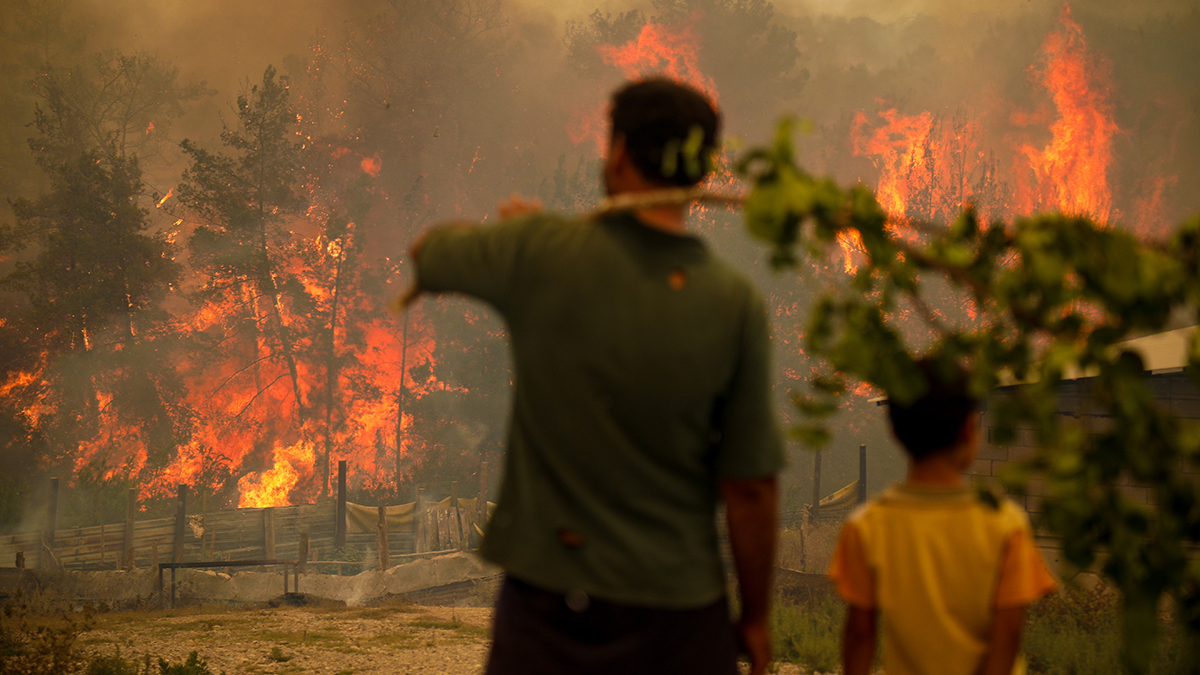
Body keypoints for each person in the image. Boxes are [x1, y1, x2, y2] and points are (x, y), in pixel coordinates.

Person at [408, 78, 785, 675]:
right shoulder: (734, 303)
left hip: (551, 614)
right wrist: (758, 619)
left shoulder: (541, 253)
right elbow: (750, 488)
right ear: (701, 175)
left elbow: (429, 255)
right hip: (680, 618)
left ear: (618, 153)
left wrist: (512, 234)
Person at [830, 358, 1058, 675]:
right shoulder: (1006, 523)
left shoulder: (866, 526)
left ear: (895, 432)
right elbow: (1008, 633)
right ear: (968, 430)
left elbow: (859, 633)